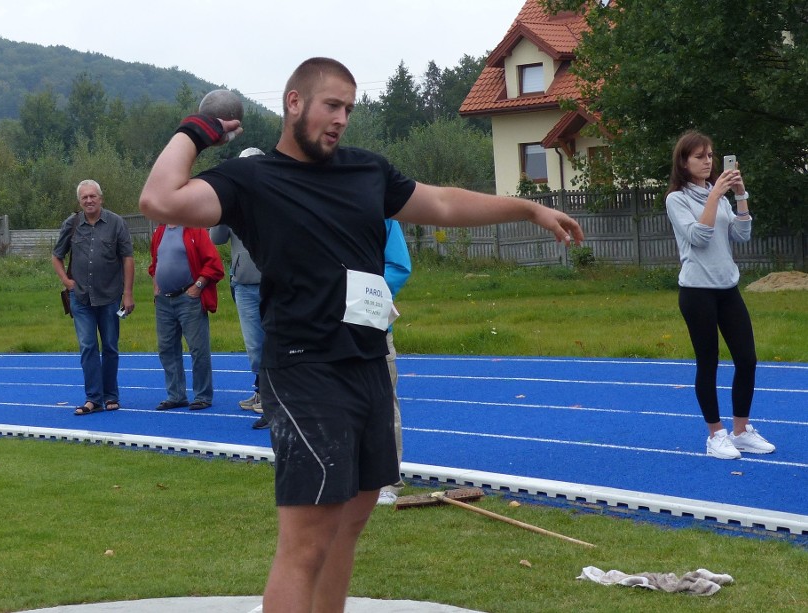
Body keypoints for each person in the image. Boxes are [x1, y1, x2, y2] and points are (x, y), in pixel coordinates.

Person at [139, 57, 583, 613]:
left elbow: (443, 202)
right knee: (306, 542)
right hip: (303, 371)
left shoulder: (366, 172)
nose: (342, 118)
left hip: (368, 361)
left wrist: (527, 208)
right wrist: (195, 132)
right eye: (332, 105)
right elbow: (158, 200)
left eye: (349, 108)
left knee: (350, 524)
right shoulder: (252, 180)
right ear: (294, 103)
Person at [665, 130, 775, 460]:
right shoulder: (677, 199)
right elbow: (699, 237)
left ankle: (741, 432)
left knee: (747, 359)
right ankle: (715, 435)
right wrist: (714, 198)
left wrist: (740, 194)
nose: (708, 161)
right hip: (697, 292)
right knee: (708, 363)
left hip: (728, 289)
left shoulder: (721, 193)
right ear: (683, 162)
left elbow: (742, 233)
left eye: (710, 155)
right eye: (700, 156)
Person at [52, 179, 135, 415]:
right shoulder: (72, 223)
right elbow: (57, 256)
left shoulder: (116, 223)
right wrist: (66, 282)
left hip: (110, 297)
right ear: (79, 201)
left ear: (101, 198)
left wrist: (127, 293)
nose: (89, 200)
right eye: (84, 197)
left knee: (110, 347)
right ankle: (93, 398)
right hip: (81, 299)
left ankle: (111, 396)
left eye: (93, 196)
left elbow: (128, 258)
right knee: (88, 346)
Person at [210, 147, 268, 429]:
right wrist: (226, 204)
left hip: (273, 284)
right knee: (254, 346)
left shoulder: (273, 199)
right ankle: (261, 391)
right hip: (244, 286)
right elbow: (217, 237)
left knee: (273, 342)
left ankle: (272, 397)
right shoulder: (236, 203)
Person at [148, 224, 224, 411]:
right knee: (166, 349)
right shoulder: (159, 232)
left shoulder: (195, 230)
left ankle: (202, 396)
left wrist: (198, 286)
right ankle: (176, 395)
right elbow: (155, 263)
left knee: (198, 349)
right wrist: (156, 285)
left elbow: (213, 262)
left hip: (188, 299)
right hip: (164, 301)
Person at [376, 219, 411, 506]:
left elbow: (398, 267)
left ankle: (388, 481)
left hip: (372, 326)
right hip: (327, 327)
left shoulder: (383, 216)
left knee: (384, 403)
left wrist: (361, 297)